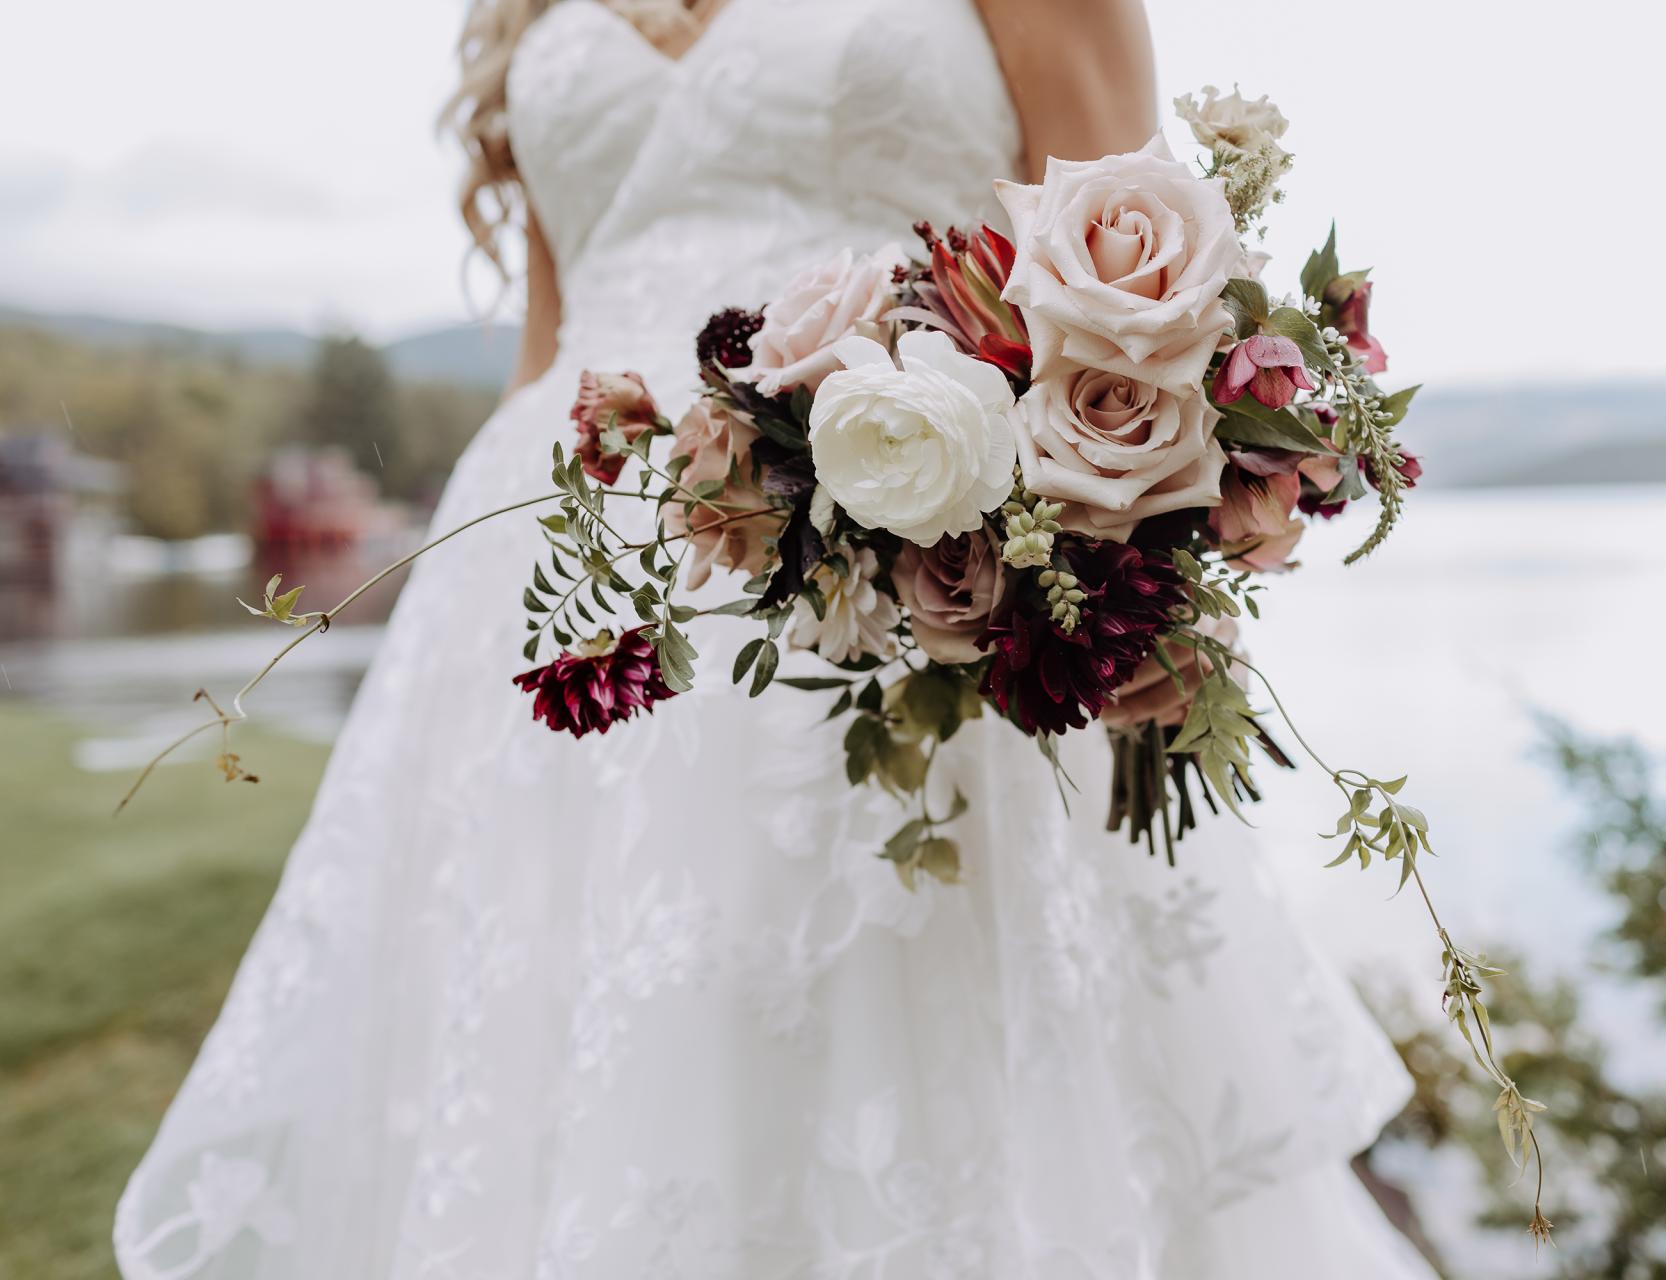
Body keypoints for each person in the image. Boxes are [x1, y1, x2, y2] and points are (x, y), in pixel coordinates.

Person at [116, 2, 1434, 1274]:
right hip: (557, 583)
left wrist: (1133, 570)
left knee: (890, 1069)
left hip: (889, 568)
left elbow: (1131, 305)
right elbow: (552, 336)